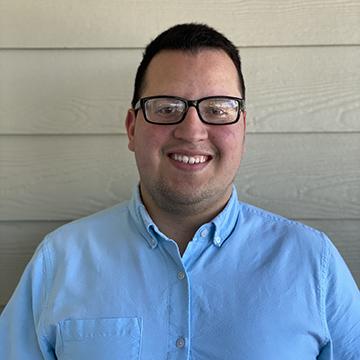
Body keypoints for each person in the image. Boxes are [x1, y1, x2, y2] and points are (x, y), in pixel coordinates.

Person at [0, 23, 359, 360]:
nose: (191, 131)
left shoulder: (314, 264)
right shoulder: (59, 260)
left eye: (218, 109)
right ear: (131, 128)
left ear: (243, 129)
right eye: (167, 108)